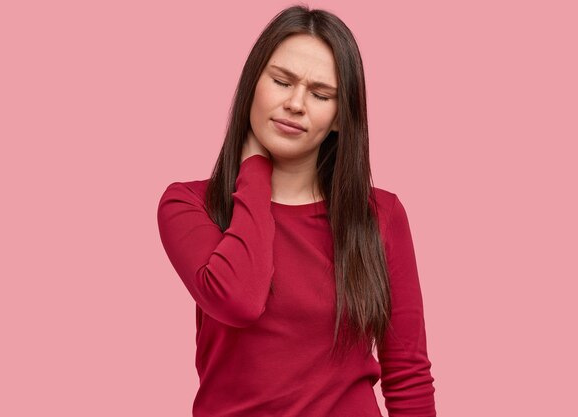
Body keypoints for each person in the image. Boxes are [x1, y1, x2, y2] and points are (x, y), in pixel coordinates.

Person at [157, 5, 436, 416]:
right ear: (253, 83)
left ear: (340, 116)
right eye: (282, 82)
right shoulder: (189, 205)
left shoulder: (380, 215)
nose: (296, 104)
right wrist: (254, 172)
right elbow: (239, 300)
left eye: (321, 94)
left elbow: (408, 374)